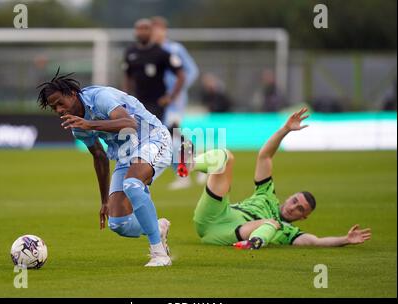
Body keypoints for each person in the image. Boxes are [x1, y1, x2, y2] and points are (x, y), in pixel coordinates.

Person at [37, 69, 173, 266]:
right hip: (125, 155)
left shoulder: (100, 98)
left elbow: (130, 123)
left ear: (72, 94)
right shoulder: (77, 126)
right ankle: (157, 228)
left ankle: (160, 254)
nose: (58, 110)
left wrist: (90, 124)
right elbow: (99, 156)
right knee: (119, 224)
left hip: (153, 138)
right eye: (53, 107)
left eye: (60, 103)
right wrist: (104, 201)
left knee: (133, 184)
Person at [188, 107, 371, 248]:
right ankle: (188, 164)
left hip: (227, 234)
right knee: (227, 157)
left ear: (303, 217)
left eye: (300, 209)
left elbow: (315, 241)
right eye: (294, 201)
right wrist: (285, 129)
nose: (293, 207)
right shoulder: (267, 194)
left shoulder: (289, 232)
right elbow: (264, 156)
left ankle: (255, 243)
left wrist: (345, 239)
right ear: (290, 197)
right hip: (214, 216)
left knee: (272, 223)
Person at [150, 16, 202, 190]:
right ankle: (200, 163)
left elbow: (192, 70)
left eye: (158, 29)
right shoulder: (150, 51)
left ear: (164, 31)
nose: (156, 33)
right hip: (158, 102)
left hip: (174, 102)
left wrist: (179, 91)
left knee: (171, 136)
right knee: (173, 137)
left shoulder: (175, 48)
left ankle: (186, 174)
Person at [122, 18, 185, 124]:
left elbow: (181, 75)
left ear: (151, 32)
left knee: (155, 131)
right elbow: (127, 76)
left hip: (157, 102)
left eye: (145, 29)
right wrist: (125, 97)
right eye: (139, 29)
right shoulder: (130, 52)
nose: (142, 32)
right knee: (148, 133)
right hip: (138, 101)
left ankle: (184, 140)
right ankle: (181, 138)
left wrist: (171, 96)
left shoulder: (161, 52)